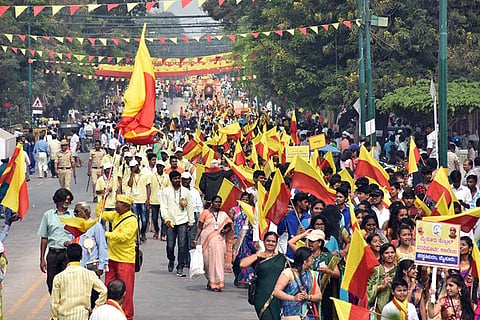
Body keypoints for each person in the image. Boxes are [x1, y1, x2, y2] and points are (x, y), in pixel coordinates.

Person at [102, 195, 138, 320]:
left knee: (125, 291)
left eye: (119, 203)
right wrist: (103, 199)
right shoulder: (116, 215)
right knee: (108, 288)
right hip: (111, 258)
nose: (116, 205)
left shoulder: (132, 220)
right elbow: (100, 214)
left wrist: (105, 234)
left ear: (126, 207)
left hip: (125, 260)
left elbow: (124, 237)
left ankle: (127, 316)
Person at [50, 244, 107, 320]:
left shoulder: (58, 278)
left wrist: (54, 317)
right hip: (82, 316)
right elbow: (104, 291)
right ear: (81, 257)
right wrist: (95, 308)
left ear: (67, 256)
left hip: (64, 316)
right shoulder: (90, 274)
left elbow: (54, 303)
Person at [240, 232, 287, 320]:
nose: (270, 243)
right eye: (268, 241)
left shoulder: (281, 258)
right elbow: (242, 264)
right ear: (264, 242)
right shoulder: (259, 257)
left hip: (277, 297)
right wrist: (257, 255)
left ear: (276, 243)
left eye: (273, 241)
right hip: (261, 296)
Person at [193, 195, 234, 292]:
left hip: (219, 241)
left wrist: (225, 230)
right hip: (206, 241)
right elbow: (199, 227)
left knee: (218, 262)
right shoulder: (205, 213)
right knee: (207, 263)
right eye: (216, 202)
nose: (218, 204)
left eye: (219, 202)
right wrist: (195, 239)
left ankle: (217, 284)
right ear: (212, 202)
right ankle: (210, 280)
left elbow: (230, 226)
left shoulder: (223, 214)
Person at [37, 188, 74, 294]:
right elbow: (44, 238)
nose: (67, 202)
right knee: (51, 282)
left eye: (68, 200)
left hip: (67, 254)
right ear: (58, 200)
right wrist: (42, 259)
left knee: (67, 282)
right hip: (53, 254)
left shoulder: (73, 215)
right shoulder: (48, 215)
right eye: (64, 199)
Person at [273, 247, 322, 320]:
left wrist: (308, 297)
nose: (313, 260)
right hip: (291, 315)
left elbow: (319, 296)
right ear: (305, 261)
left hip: (308, 314)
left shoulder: (311, 274)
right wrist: (293, 298)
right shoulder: (288, 273)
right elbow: (276, 292)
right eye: (312, 258)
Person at [161, 170, 194, 277]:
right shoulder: (165, 191)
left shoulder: (185, 192)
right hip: (170, 221)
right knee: (170, 245)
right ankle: (171, 259)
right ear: (171, 180)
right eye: (174, 179)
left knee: (182, 245)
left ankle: (180, 266)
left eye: (178, 178)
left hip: (183, 221)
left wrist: (191, 221)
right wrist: (166, 219)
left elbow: (190, 207)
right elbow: (163, 207)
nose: (177, 180)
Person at [277, 192, 311, 259]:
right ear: (298, 203)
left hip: (303, 249)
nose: (307, 204)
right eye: (305, 202)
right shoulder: (288, 215)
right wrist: (283, 219)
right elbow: (279, 231)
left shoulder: (308, 217)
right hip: (289, 248)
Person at [367, 243, 397, 314]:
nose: (390, 255)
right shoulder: (376, 270)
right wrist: (381, 287)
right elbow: (369, 290)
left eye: (392, 252)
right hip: (378, 308)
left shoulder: (399, 271)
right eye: (386, 253)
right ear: (382, 256)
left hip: (395, 308)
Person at [126, 159, 151, 243]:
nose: (133, 168)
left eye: (134, 166)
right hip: (134, 200)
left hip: (143, 200)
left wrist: (148, 199)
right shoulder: (132, 176)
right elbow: (129, 184)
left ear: (137, 166)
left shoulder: (144, 175)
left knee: (144, 220)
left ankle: (143, 232)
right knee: (135, 220)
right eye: (131, 167)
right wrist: (131, 174)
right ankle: (137, 235)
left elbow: (148, 187)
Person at [149, 160, 170, 241]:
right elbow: (149, 188)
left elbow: (169, 189)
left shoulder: (167, 177)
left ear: (163, 168)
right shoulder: (152, 176)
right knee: (154, 218)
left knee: (164, 218)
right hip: (154, 200)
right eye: (158, 166)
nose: (159, 168)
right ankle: (157, 231)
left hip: (164, 201)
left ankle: (163, 234)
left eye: (161, 166)